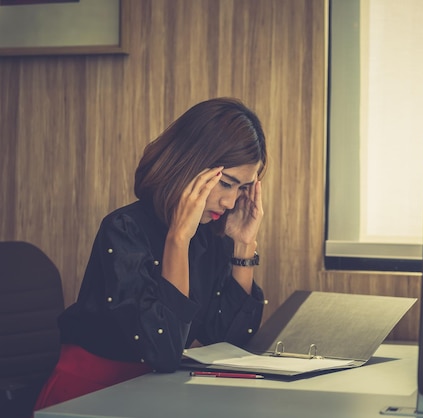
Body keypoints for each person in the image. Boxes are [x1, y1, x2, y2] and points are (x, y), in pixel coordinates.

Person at [33, 97, 268, 412]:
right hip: (89, 396)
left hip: (158, 392)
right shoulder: (123, 229)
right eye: (225, 184)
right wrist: (178, 239)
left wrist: (243, 245)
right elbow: (163, 350)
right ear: (191, 165)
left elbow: (229, 340)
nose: (229, 202)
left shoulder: (212, 235)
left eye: (242, 189)